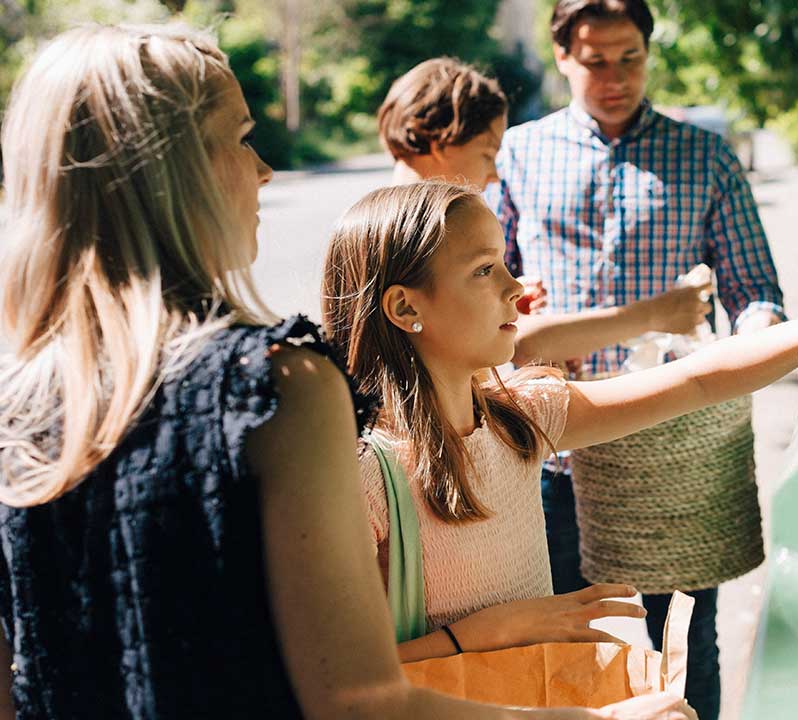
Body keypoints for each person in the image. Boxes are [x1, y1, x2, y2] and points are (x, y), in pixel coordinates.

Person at [0, 23, 693, 720]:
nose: (264, 170)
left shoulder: (17, 407)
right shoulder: (272, 388)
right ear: (167, 175)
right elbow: (359, 702)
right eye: (241, 138)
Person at [320, 180, 798, 693]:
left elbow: (695, 380)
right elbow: (333, 679)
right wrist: (485, 634)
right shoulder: (363, 474)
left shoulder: (519, 419)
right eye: (483, 270)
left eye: (503, 262)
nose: (514, 286)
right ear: (406, 309)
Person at [487, 2, 786, 715]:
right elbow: (489, 283)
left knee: (689, 636)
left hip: (671, 450)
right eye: (595, 61)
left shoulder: (705, 157)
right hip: (552, 450)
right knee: (572, 640)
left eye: (630, 59)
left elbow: (755, 290)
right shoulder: (520, 153)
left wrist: (755, 338)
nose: (615, 77)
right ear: (562, 58)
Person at [377, 56, 712, 368]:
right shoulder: (424, 236)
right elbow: (525, 344)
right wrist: (654, 315)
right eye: (486, 154)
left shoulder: (387, 222)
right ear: (440, 139)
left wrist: (503, 310)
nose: (494, 174)